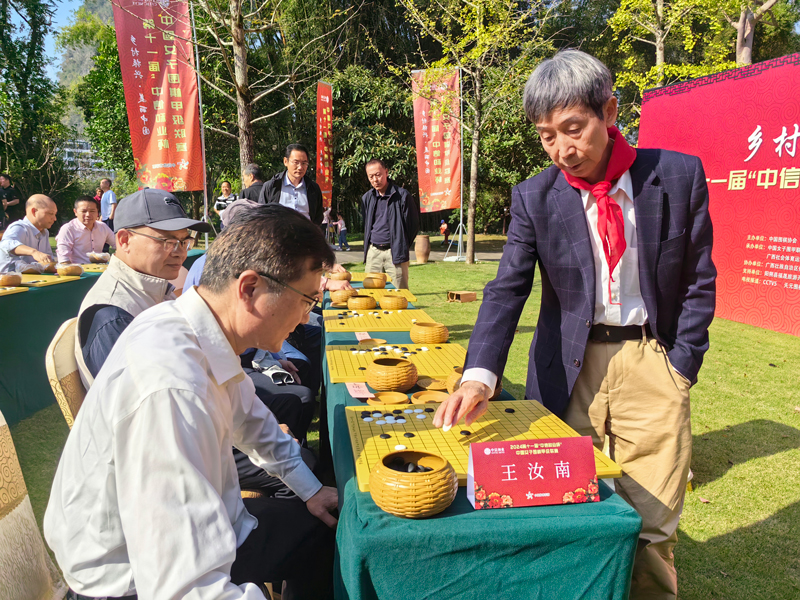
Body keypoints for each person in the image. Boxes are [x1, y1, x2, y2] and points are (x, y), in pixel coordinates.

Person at [434, 50, 716, 600]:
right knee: (564, 508)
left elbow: (698, 280)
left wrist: (681, 365)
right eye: (546, 136)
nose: (562, 150)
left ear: (609, 112)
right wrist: (479, 374)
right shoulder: (535, 197)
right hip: (567, 367)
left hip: (651, 364)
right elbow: (506, 290)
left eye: (573, 129)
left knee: (652, 519)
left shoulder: (677, 177)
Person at [45, 204, 338, 599]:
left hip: (206, 526)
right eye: (306, 299)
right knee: (326, 543)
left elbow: (253, 422)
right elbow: (184, 585)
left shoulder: (193, 326)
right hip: (129, 577)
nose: (306, 318)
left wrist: (312, 490)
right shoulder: (171, 386)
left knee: (325, 529)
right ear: (249, 289)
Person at [74, 188, 211, 389]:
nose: (180, 253)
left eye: (183, 241)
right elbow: (142, 406)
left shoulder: (154, 288)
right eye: (167, 241)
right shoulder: (112, 314)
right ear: (124, 240)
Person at [361, 159, 419, 289]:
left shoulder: (402, 196)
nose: (375, 180)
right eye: (371, 176)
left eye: (378, 174)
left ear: (386, 172)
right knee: (371, 292)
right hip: (374, 251)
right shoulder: (367, 198)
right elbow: (367, 223)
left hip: (395, 252)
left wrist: (401, 244)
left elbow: (413, 225)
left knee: (400, 292)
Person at [258, 143, 325, 226]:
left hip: (306, 237)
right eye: (296, 162)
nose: (300, 167)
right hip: (278, 237)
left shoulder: (313, 189)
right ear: (285, 161)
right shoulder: (272, 186)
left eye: (304, 163)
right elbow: (261, 216)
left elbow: (318, 218)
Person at [0, 194, 57, 273]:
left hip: (35, 280)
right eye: (51, 213)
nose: (54, 218)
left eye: (55, 214)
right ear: (34, 211)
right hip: (11, 281)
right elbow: (6, 244)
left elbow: (48, 261)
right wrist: (34, 252)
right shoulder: (19, 227)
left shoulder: (44, 232)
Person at [55, 195, 116, 264]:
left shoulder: (102, 227)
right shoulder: (68, 229)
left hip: (100, 269)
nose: (88, 214)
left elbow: (118, 245)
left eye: (92, 211)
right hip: (78, 271)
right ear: (75, 212)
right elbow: (63, 259)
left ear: (97, 212)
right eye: (84, 211)